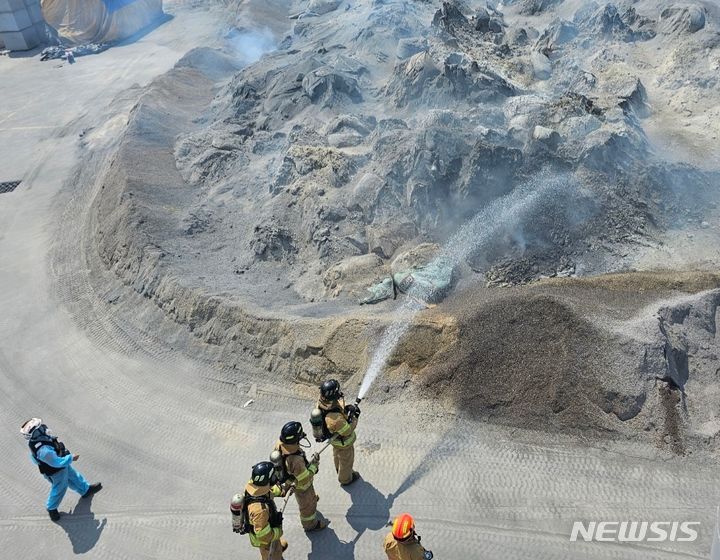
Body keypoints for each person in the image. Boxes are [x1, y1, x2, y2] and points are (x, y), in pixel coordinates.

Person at [20, 418, 102, 521]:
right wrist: (71, 458)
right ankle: (52, 508)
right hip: (55, 471)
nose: (43, 428)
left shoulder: (38, 440)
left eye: (41, 427)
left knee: (73, 476)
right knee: (59, 488)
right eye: (39, 429)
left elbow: (35, 459)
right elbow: (56, 462)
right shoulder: (43, 450)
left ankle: (85, 490)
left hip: (61, 466)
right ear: (34, 434)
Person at [274, 421, 327, 532]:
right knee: (307, 507)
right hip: (302, 487)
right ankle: (310, 525)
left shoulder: (280, 444)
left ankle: (312, 499)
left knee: (309, 496)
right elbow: (304, 479)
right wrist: (314, 465)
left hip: (292, 477)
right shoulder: (296, 460)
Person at [316, 379, 360, 486]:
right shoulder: (335, 419)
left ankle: (339, 471)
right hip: (343, 443)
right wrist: (355, 416)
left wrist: (346, 408)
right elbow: (347, 430)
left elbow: (336, 409)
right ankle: (345, 479)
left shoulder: (322, 402)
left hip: (335, 441)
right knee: (346, 461)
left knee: (337, 456)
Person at [241, 461, 287, 560]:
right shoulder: (260, 510)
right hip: (265, 542)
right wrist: (278, 532)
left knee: (275, 547)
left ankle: (276, 548)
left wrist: (281, 491)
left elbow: (267, 491)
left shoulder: (254, 486)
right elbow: (263, 535)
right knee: (270, 555)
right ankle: (274, 554)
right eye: (273, 476)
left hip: (267, 529)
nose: (275, 477)